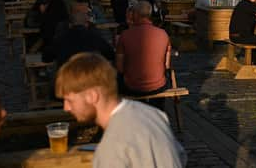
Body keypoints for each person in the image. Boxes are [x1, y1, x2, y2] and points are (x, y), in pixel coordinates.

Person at [55, 52, 186, 168]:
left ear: (92, 96)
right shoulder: (152, 113)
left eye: (70, 100)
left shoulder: (111, 149)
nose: (66, 108)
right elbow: (180, 156)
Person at [116, 1, 171, 111]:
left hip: (132, 87)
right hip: (158, 86)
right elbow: (167, 65)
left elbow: (119, 68)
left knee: (118, 81)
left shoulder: (125, 35)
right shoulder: (163, 34)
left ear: (135, 14)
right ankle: (158, 114)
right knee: (164, 79)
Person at [49, 11, 115, 68]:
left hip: (67, 77)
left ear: (70, 24)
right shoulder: (94, 37)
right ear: (86, 24)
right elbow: (110, 54)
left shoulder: (61, 38)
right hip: (88, 76)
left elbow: (47, 57)